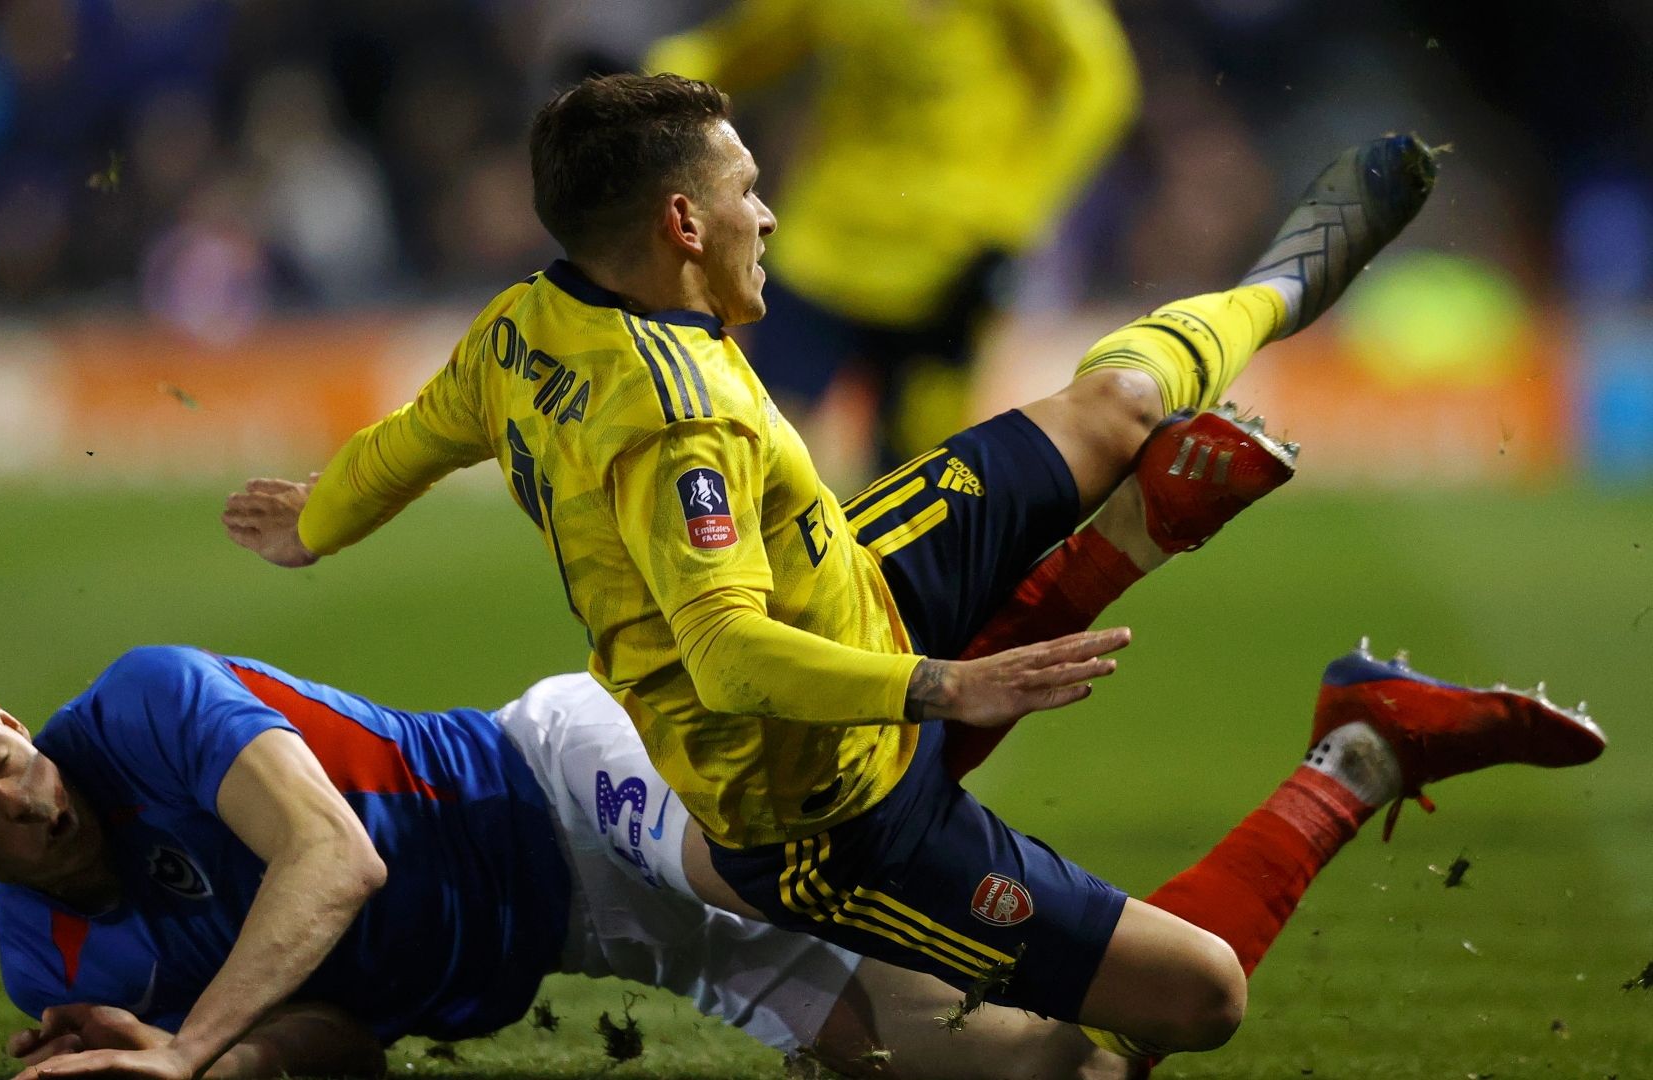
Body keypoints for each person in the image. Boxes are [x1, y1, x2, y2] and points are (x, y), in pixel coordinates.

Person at [219, 70, 1482, 1060]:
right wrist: (943, 688)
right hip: (830, 808)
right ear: (682, 220)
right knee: (1201, 1001)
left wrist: (318, 519)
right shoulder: (677, 423)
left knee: (1112, 407)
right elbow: (729, 655)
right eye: (748, 189)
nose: (767, 212)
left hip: (856, 576)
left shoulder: (519, 330)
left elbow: (407, 441)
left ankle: (1277, 284)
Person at [0, 640, 1603, 1080]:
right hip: (600, 943)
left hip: (565, 774)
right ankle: (1363, 745)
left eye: (3, 753)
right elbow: (344, 1037)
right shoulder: (62, 989)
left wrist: (191, 1055)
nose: (25, 798)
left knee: (762, 856)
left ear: (9, 714)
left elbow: (337, 877)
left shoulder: (140, 709)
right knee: (1146, 1030)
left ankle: (987, 658)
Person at [643, 0, 1140, 469]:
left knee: (918, 472)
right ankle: (759, 556)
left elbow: (1098, 79)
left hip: (946, 260)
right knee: (763, 443)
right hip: (828, 247)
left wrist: (1018, 212)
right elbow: (742, 51)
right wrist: (646, 84)